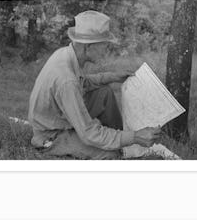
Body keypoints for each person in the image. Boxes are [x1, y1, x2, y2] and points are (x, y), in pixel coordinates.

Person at [28, 10, 161, 159]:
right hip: (52, 136)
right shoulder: (66, 81)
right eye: (104, 45)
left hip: (62, 116)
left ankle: (117, 137)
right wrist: (135, 137)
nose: (107, 50)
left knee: (104, 92)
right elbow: (88, 134)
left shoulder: (65, 54)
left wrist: (112, 76)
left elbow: (83, 83)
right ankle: (120, 142)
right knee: (112, 153)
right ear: (88, 47)